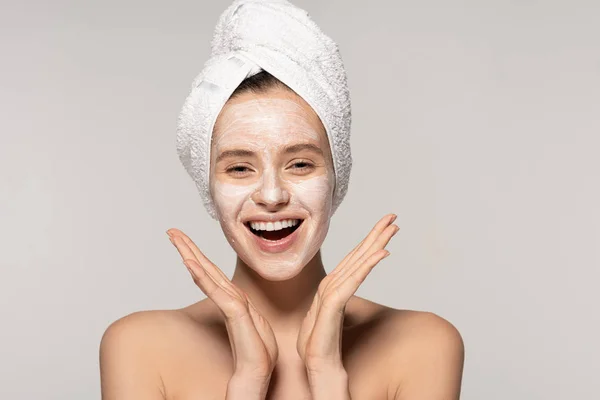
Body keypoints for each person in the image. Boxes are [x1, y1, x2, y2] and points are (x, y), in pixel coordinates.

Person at [99, 2, 464, 400]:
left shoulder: (421, 345)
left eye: (300, 164)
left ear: (336, 175)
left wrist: (326, 374)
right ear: (209, 188)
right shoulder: (140, 348)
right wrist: (248, 382)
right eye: (239, 168)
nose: (272, 196)